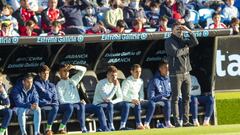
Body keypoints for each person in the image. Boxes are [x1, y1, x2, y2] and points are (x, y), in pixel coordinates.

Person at [56, 64, 109, 134]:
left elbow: (84, 70)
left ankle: (104, 128)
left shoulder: (73, 80)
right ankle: (83, 129)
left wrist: (73, 67)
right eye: (64, 71)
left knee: (98, 108)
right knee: (80, 105)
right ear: (60, 73)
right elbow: (62, 101)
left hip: (80, 104)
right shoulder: (59, 85)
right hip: (71, 107)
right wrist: (75, 103)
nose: (66, 72)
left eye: (68, 71)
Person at [164, 22, 199, 127]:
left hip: (186, 73)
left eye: (180, 29)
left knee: (186, 98)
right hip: (176, 74)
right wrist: (186, 49)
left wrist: (189, 31)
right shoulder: (169, 41)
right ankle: (176, 122)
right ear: (172, 30)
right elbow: (175, 53)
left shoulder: (183, 39)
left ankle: (186, 121)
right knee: (175, 98)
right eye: (177, 29)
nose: (179, 31)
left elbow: (196, 42)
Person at [121, 64, 155, 130]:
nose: (138, 73)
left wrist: (141, 99)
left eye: (140, 72)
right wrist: (132, 100)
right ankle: (138, 124)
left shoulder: (141, 81)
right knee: (137, 103)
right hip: (128, 102)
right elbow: (122, 96)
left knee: (152, 103)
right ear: (131, 72)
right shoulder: (127, 81)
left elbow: (141, 92)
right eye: (136, 71)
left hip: (137, 101)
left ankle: (146, 124)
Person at [93, 65, 123, 131]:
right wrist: (115, 87)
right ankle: (111, 125)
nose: (114, 78)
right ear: (107, 75)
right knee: (110, 104)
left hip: (109, 104)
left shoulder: (116, 82)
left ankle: (123, 126)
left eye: (115, 75)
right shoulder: (101, 83)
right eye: (112, 75)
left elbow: (120, 97)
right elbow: (106, 99)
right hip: (98, 104)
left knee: (125, 105)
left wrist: (112, 102)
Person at [147, 60, 174, 128]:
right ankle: (168, 123)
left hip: (168, 99)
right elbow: (151, 97)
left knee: (180, 100)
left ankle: (181, 121)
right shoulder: (154, 80)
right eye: (165, 67)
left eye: (168, 68)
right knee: (167, 102)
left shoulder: (170, 78)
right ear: (160, 69)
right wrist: (162, 97)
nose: (168, 69)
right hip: (158, 100)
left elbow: (172, 92)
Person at [34, 65, 59, 135]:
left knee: (64, 107)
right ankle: (48, 130)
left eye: (47, 73)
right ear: (39, 74)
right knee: (55, 107)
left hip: (51, 105)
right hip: (41, 105)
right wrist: (47, 99)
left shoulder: (52, 85)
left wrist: (48, 94)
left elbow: (55, 98)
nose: (46, 75)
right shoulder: (36, 83)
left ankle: (56, 129)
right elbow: (36, 98)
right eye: (44, 73)